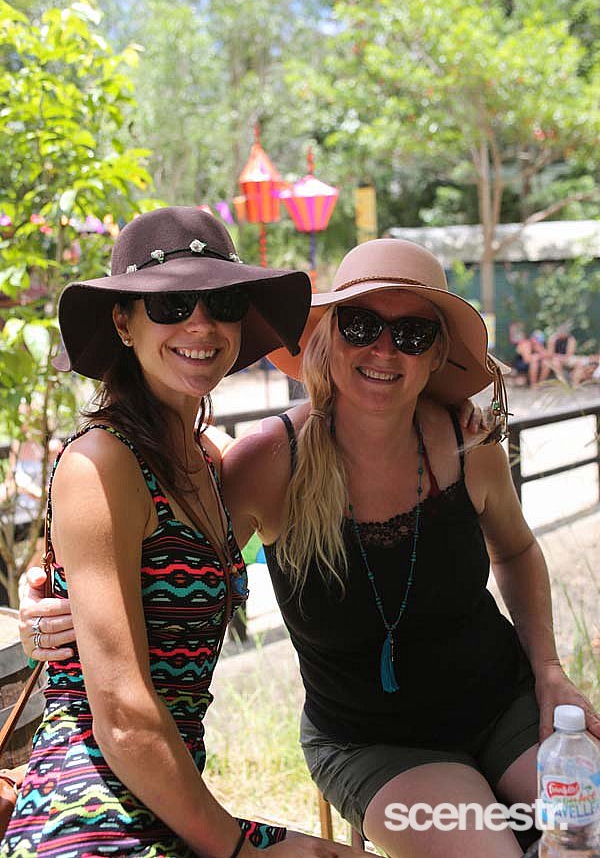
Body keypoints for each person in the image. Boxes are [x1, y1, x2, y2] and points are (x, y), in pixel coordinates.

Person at [23, 240, 597, 857]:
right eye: (361, 325)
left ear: (436, 354)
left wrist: (549, 671)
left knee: (585, 836)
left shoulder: (465, 445)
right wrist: (45, 599)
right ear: (327, 336)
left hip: (504, 705)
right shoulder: (266, 464)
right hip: (375, 744)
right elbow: (145, 547)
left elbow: (516, 550)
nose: (384, 350)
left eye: (412, 334)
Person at [3, 206, 368, 858]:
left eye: (222, 301)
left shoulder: (206, 462)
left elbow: (350, 406)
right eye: (170, 305)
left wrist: (447, 408)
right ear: (124, 323)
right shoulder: (100, 463)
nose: (201, 324)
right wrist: (236, 850)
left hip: (170, 799)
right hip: (89, 813)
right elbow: (121, 715)